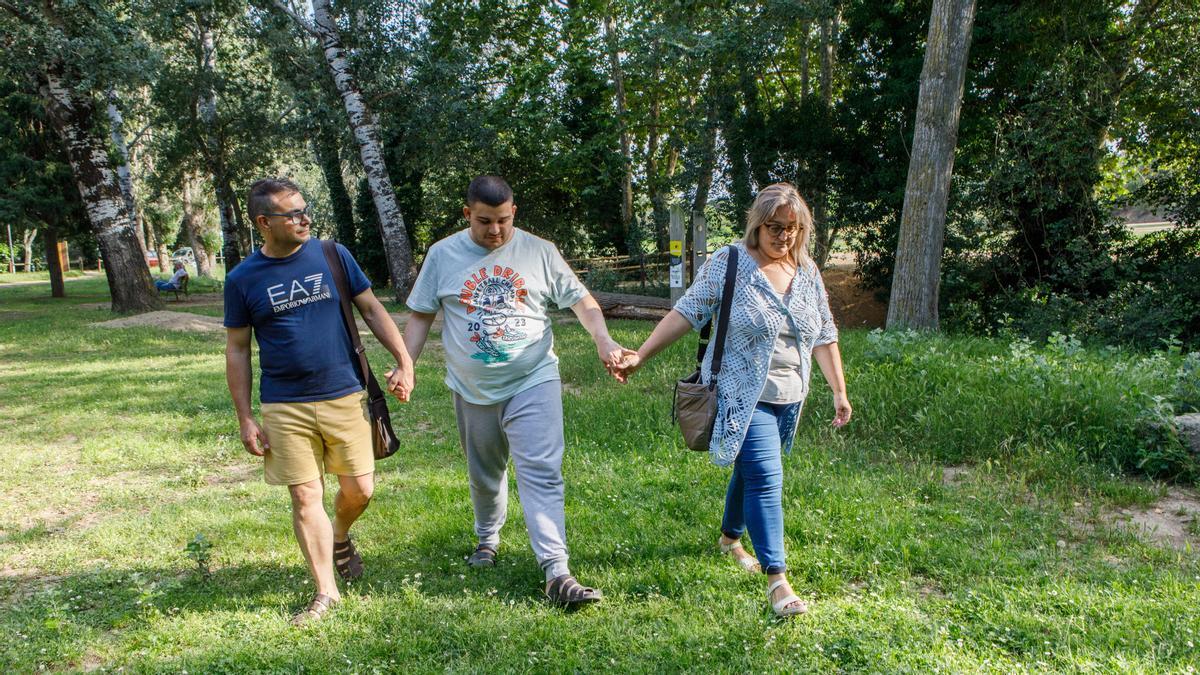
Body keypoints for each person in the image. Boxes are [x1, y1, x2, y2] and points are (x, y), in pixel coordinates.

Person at [612, 182, 852, 618]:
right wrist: (641, 355)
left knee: (751, 471)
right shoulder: (731, 263)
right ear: (757, 226)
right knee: (765, 476)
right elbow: (688, 311)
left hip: (789, 397)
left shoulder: (808, 272)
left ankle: (729, 539)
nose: (785, 237)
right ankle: (778, 581)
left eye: (794, 229)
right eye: (775, 227)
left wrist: (839, 390)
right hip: (740, 393)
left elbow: (825, 334)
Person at [402, 175, 625, 608]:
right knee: (485, 475)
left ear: (514, 213)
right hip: (472, 389)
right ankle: (487, 539)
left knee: (542, 471)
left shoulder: (539, 251)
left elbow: (582, 301)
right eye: (484, 221)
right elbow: (420, 316)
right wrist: (406, 365)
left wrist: (603, 340)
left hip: (533, 377)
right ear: (467, 214)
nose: (495, 231)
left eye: (503, 220)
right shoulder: (443, 255)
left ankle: (556, 572)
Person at [223, 178, 415, 625]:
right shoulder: (242, 278)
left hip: (345, 393)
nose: (304, 219)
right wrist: (246, 416)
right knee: (306, 496)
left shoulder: (332, 254)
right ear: (263, 223)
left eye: (305, 210)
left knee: (359, 489)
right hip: (284, 403)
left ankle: (341, 534)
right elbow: (236, 348)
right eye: (292, 214)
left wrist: (404, 360)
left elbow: (371, 308)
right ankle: (326, 592)